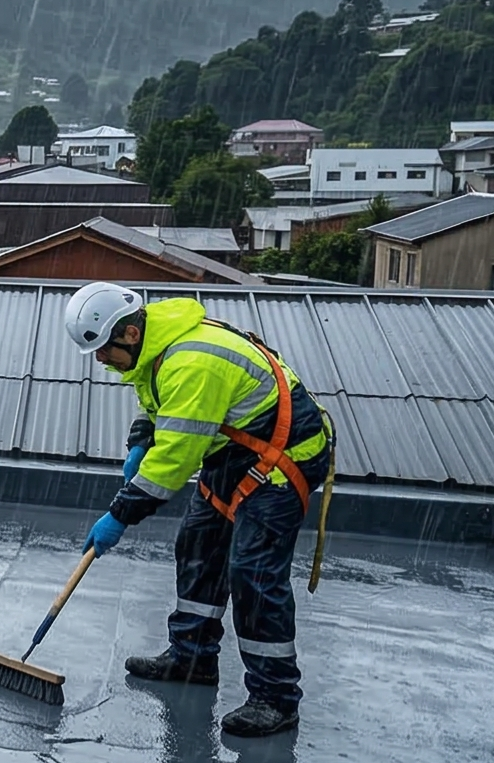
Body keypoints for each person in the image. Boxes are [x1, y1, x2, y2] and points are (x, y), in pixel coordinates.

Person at [63, 281, 334, 737]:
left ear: (129, 334)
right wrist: (139, 441)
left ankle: (276, 698)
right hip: (238, 452)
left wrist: (119, 515)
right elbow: (160, 405)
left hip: (284, 456)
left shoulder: (193, 361)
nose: (101, 361)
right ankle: (192, 658)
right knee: (199, 546)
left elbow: (172, 464)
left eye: (103, 349)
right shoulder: (158, 345)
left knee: (253, 572)